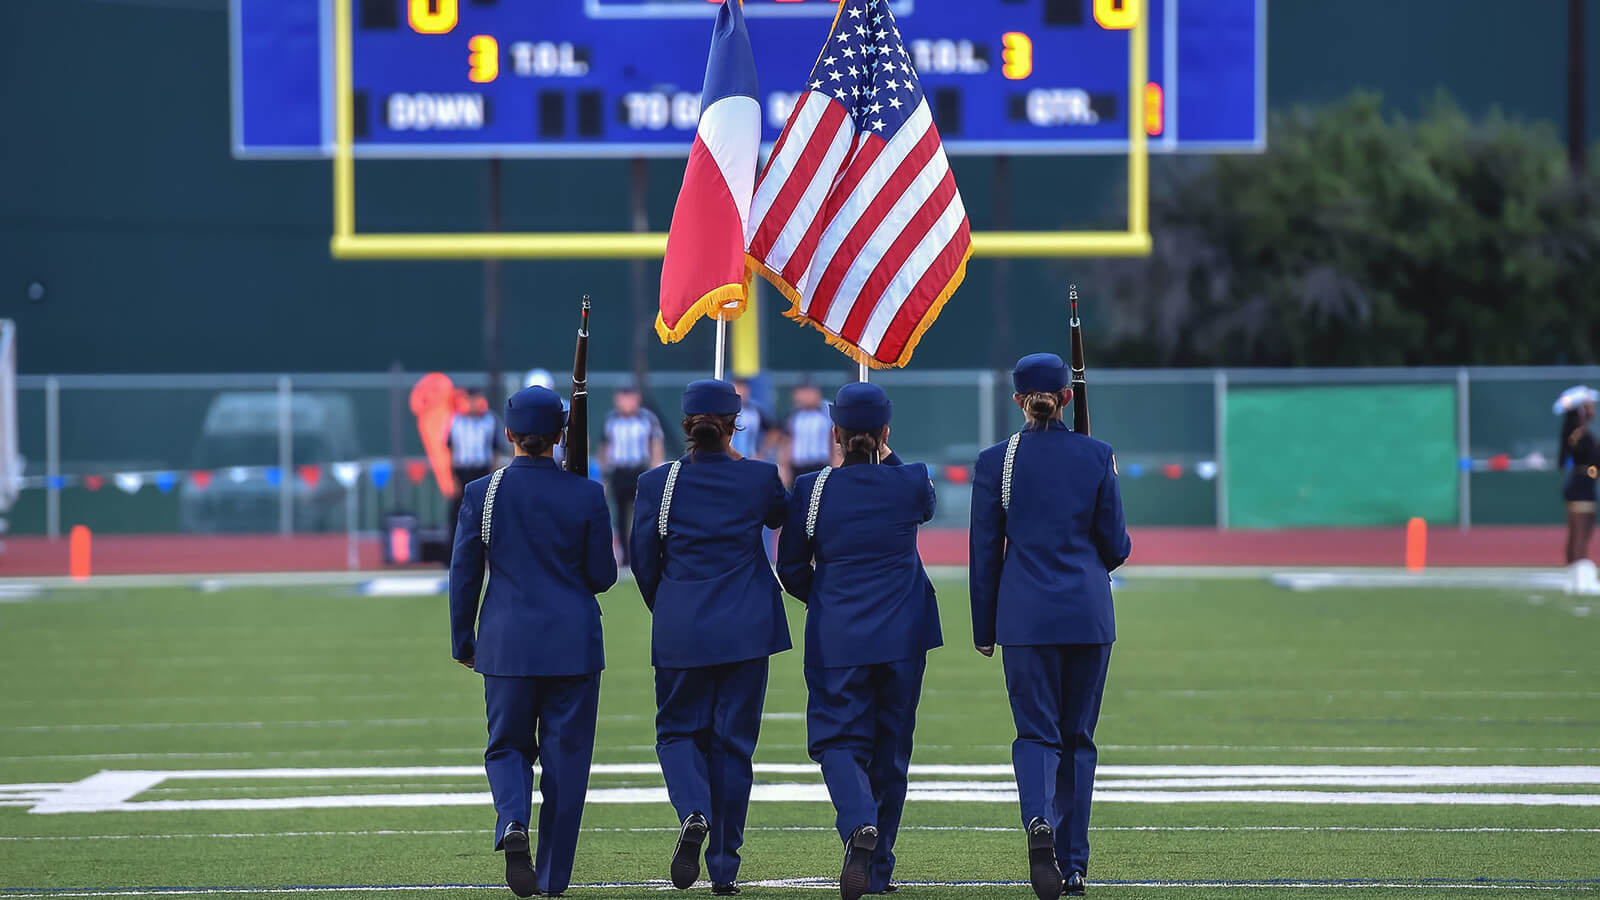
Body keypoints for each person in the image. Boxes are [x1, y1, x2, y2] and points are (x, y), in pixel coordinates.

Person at [969, 353, 1131, 900]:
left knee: (1036, 735)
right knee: (1078, 740)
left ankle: (1038, 822)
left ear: (1017, 401)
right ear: (1066, 397)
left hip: (1024, 619)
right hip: (1086, 615)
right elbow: (1117, 547)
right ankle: (1074, 863)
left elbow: (984, 553)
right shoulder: (1097, 454)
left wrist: (983, 628)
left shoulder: (998, 461)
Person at [448, 385, 619, 898]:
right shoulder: (586, 492)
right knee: (567, 765)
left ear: (508, 435)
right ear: (561, 436)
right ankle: (551, 878)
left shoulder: (484, 492)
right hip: (573, 644)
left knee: (507, 748)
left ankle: (512, 820)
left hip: (506, 642)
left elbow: (464, 573)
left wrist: (463, 639)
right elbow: (603, 575)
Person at [776, 383, 941, 900]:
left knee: (835, 741)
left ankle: (857, 823)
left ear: (836, 435)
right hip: (903, 634)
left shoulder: (811, 489)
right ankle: (878, 871)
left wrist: (824, 599)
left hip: (838, 635)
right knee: (892, 753)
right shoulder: (910, 480)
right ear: (886, 435)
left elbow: (791, 569)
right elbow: (926, 501)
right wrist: (885, 451)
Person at [630, 379, 792, 896]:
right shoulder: (760, 477)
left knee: (677, 734)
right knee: (733, 746)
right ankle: (724, 866)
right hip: (747, 628)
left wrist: (670, 604)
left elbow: (642, 561)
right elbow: (779, 515)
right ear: (734, 425)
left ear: (685, 426)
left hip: (681, 625)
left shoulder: (657, 483)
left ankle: (692, 809)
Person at [601, 383, 665, 564]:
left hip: (640, 470)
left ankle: (643, 553)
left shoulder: (647, 419)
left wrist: (655, 470)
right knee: (620, 514)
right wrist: (605, 474)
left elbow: (656, 445)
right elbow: (605, 447)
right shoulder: (611, 420)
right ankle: (625, 557)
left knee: (642, 513)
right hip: (619, 471)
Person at [1556, 385, 1600, 594]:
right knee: (1581, 532)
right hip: (1582, 487)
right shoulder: (1579, 433)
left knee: (1577, 532)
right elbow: (1593, 464)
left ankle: (1574, 576)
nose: (1593, 409)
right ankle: (1579, 579)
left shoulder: (1574, 431)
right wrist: (1594, 470)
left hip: (1579, 485)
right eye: (1589, 406)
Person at [447, 387, 502, 546]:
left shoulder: (489, 420)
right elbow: (451, 450)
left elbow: (495, 450)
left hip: (482, 471)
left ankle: (486, 550)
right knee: (456, 513)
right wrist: (454, 478)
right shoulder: (456, 421)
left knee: (485, 513)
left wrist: (492, 475)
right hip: (462, 471)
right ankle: (452, 550)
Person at [781, 382, 836, 485]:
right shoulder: (794, 415)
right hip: (798, 467)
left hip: (821, 465)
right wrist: (785, 467)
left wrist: (836, 464)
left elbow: (833, 440)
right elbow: (786, 442)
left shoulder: (827, 413)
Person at [731, 378, 781, 461]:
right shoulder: (725, 411)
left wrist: (763, 451)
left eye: (743, 389)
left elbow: (773, 431)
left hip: (751, 458)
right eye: (737, 388)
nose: (741, 392)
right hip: (730, 459)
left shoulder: (755, 411)